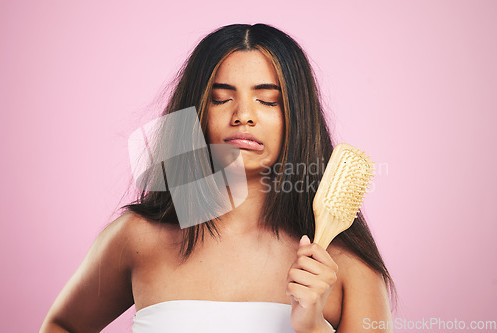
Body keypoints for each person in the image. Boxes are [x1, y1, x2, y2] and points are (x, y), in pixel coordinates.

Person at [40, 23, 395, 333]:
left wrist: (313, 326)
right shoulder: (138, 239)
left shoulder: (347, 265)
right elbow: (63, 326)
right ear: (196, 113)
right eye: (222, 99)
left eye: (267, 101)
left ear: (297, 117)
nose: (243, 115)